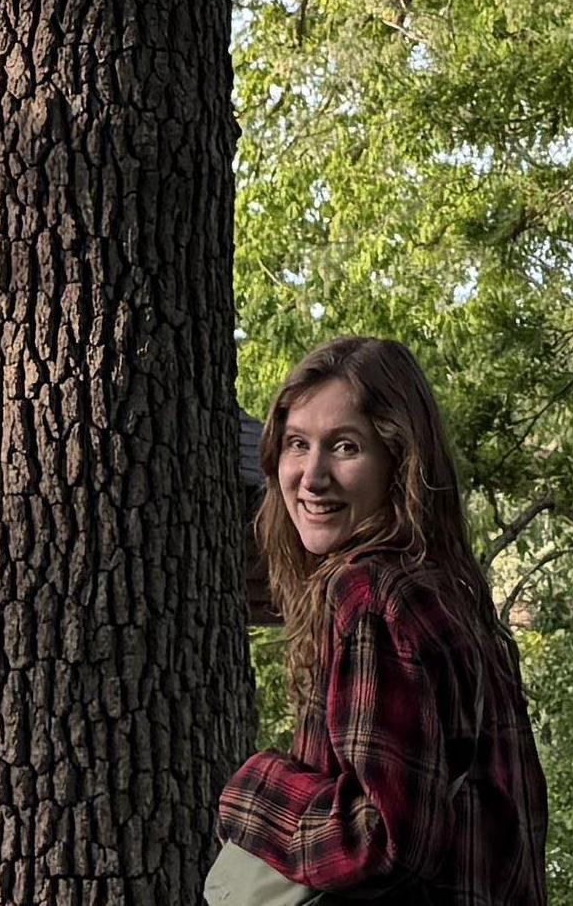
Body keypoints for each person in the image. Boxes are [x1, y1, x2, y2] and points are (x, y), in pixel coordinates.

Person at [209, 333, 550, 906]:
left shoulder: (369, 594)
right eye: (297, 445)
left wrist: (251, 791)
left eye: (344, 447)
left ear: (400, 460)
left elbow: (382, 835)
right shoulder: (451, 595)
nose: (311, 477)